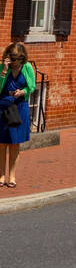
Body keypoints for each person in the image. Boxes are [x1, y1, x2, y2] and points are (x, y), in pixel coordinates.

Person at [0, 43, 35, 187]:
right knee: (2, 143)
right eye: (13, 59)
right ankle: (1, 176)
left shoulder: (27, 67)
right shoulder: (3, 67)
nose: (15, 62)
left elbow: (31, 86)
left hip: (20, 108)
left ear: (22, 58)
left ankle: (12, 176)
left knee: (15, 144)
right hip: (3, 107)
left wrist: (22, 92)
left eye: (18, 59)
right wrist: (4, 71)